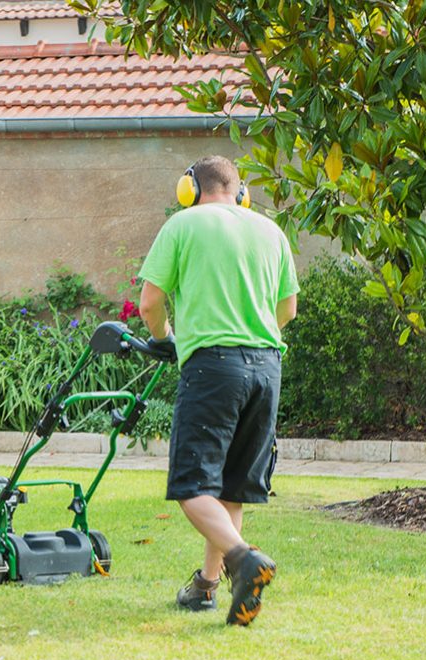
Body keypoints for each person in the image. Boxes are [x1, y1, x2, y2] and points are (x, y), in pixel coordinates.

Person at [136, 155, 299, 626]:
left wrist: (165, 338)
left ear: (190, 188)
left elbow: (150, 303)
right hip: (267, 367)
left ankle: (245, 558)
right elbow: (285, 310)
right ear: (240, 191)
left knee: (191, 485)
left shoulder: (184, 224)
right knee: (231, 487)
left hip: (214, 365)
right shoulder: (271, 231)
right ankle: (208, 588)